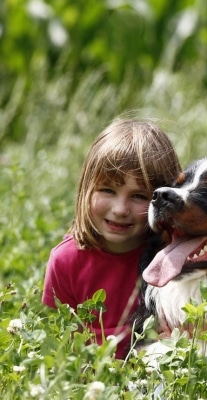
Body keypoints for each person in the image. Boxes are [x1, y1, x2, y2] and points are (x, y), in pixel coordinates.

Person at [42, 116, 182, 359]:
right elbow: (59, 348)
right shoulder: (66, 260)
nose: (120, 209)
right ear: (87, 188)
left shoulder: (170, 258)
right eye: (108, 190)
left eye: (138, 195)